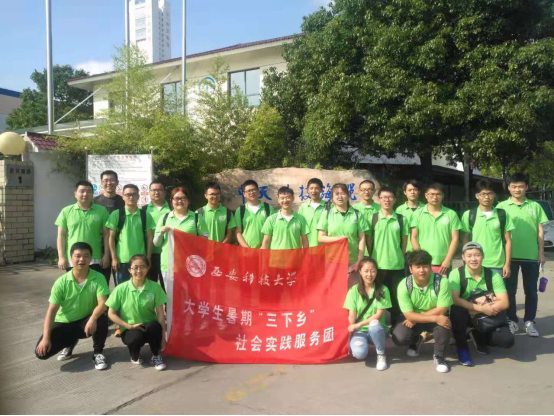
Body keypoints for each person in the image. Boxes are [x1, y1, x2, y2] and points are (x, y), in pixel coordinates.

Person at [35, 242, 110, 371]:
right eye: (78, 256)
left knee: (101, 318)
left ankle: (98, 353)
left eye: (86, 256)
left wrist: (93, 318)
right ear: (71, 258)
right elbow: (51, 312)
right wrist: (46, 338)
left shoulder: (98, 277)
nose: (81, 259)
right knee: (42, 353)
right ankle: (69, 343)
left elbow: (102, 303)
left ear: (91, 259)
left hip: (86, 322)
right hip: (65, 322)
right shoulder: (61, 282)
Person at [497, 173, 549, 337]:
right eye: (514, 186)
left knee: (531, 291)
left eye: (520, 186)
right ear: (509, 188)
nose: (517, 189)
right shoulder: (501, 206)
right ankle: (511, 320)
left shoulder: (535, 206)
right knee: (509, 291)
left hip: (531, 255)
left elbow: (540, 231)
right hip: (508, 257)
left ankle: (529, 321)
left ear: (526, 187)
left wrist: (541, 252)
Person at [449, 242, 513, 367]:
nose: (473, 259)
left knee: (507, 341)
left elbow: (505, 302)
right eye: (469, 256)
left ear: (483, 256)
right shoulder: (456, 274)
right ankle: (462, 349)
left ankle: (478, 335)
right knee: (457, 311)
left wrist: (486, 309)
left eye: (477, 255)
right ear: (463, 257)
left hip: (485, 315)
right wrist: (480, 308)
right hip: (467, 313)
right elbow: (455, 299)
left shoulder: (493, 275)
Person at [392, 250, 453, 373]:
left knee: (444, 324)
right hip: (420, 318)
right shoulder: (404, 285)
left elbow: (442, 309)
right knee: (399, 336)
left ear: (430, 267)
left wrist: (417, 318)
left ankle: (439, 356)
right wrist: (430, 318)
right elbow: (408, 315)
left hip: (431, 316)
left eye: (425, 266)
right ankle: (416, 340)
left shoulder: (442, 282)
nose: (422, 270)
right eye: (417, 267)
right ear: (410, 269)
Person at [106, 255, 168, 370]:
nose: (139, 271)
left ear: (147, 268)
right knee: (135, 338)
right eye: (135, 267)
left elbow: (160, 314)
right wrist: (128, 326)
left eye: (142, 267)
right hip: (130, 328)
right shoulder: (121, 289)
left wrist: (163, 338)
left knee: (154, 326)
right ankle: (135, 354)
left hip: (149, 326)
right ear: (129, 270)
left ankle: (156, 355)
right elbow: (111, 313)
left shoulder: (155, 287)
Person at [366, 186, 409, 325]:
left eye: (390, 197)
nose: (387, 200)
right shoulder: (372, 218)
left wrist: (399, 256)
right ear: (379, 200)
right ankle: (379, 325)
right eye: (384, 197)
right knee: (378, 297)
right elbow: (368, 241)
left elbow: (404, 242)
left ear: (394, 200)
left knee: (397, 298)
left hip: (396, 265)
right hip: (378, 265)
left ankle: (396, 326)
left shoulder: (401, 219)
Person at [153, 187, 209, 289]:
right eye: (176, 198)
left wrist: (185, 237)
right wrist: (161, 233)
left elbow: (205, 240)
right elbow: (156, 243)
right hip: (169, 265)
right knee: (170, 296)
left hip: (191, 265)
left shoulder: (197, 218)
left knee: (189, 295)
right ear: (171, 201)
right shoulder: (165, 218)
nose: (180, 201)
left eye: (183, 198)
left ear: (189, 200)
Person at [317, 183, 369, 287]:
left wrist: (359, 259)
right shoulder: (327, 214)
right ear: (332, 198)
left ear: (348, 195)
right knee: (334, 289)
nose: (340, 196)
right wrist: (338, 239)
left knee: (353, 290)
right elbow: (320, 237)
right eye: (336, 194)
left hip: (352, 260)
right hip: (333, 260)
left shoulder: (357, 214)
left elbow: (362, 238)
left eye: (343, 193)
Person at [344, 258, 391, 371]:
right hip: (360, 332)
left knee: (374, 324)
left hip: (378, 330)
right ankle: (364, 345)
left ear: (376, 272)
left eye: (373, 271)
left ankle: (381, 354)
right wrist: (351, 331)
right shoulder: (353, 291)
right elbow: (352, 317)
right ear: (360, 272)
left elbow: (378, 315)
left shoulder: (383, 289)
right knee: (359, 353)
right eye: (366, 271)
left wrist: (358, 325)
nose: (369, 274)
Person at [460, 180, 514, 278]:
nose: (486, 197)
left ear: (494, 195)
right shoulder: (469, 215)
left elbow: (508, 241)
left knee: (498, 289)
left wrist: (507, 264)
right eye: (483, 194)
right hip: (475, 263)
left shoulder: (502, 214)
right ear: (477, 196)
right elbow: (465, 239)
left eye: (490, 194)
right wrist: (466, 261)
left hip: (497, 265)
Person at [55, 181, 110, 276]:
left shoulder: (102, 211)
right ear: (75, 193)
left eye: (88, 191)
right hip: (73, 258)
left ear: (92, 194)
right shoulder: (66, 211)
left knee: (94, 284)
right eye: (82, 191)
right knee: (74, 284)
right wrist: (61, 257)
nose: (85, 194)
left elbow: (107, 235)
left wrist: (106, 255)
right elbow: (61, 236)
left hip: (95, 258)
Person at [410, 182, 461, 276]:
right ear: (426, 195)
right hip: (424, 263)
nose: (435, 197)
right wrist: (420, 258)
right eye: (432, 194)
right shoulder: (417, 214)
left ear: (443, 196)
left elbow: (455, 238)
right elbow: (413, 237)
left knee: (443, 285)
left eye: (438, 194)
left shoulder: (451, 214)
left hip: (443, 263)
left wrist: (448, 260)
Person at [93, 170, 125, 284]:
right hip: (100, 247)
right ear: (101, 183)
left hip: (120, 246)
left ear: (117, 182)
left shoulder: (123, 201)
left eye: (112, 180)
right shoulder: (95, 202)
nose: (109, 183)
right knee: (101, 283)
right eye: (105, 180)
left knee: (121, 283)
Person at [142, 180, 170, 289]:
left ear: (165, 192)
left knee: (167, 287)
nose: (156, 192)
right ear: (149, 192)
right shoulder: (143, 210)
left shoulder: (172, 208)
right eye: (153, 190)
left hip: (168, 254)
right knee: (149, 287)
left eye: (159, 190)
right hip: (149, 254)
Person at [235, 180, 275, 248]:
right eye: (249, 191)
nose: (252, 192)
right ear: (244, 194)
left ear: (258, 190)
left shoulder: (268, 209)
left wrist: (264, 246)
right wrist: (247, 249)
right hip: (245, 251)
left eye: (254, 189)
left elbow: (272, 230)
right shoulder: (240, 210)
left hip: (265, 250)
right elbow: (238, 232)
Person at [395, 180, 425, 253]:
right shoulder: (399, 210)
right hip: (405, 249)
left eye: (415, 190)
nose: (412, 192)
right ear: (405, 192)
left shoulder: (425, 209)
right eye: (409, 190)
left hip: (423, 249)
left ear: (419, 192)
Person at [353, 180, 381, 255]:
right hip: (357, 251)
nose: (366, 192)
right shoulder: (353, 209)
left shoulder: (381, 209)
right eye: (364, 190)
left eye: (369, 189)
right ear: (359, 191)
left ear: (374, 191)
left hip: (377, 250)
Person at [298, 178, 326, 248]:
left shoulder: (328, 206)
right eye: (311, 188)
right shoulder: (303, 207)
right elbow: (299, 229)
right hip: (307, 247)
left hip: (324, 248)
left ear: (321, 190)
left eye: (317, 188)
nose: (314, 191)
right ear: (308, 190)